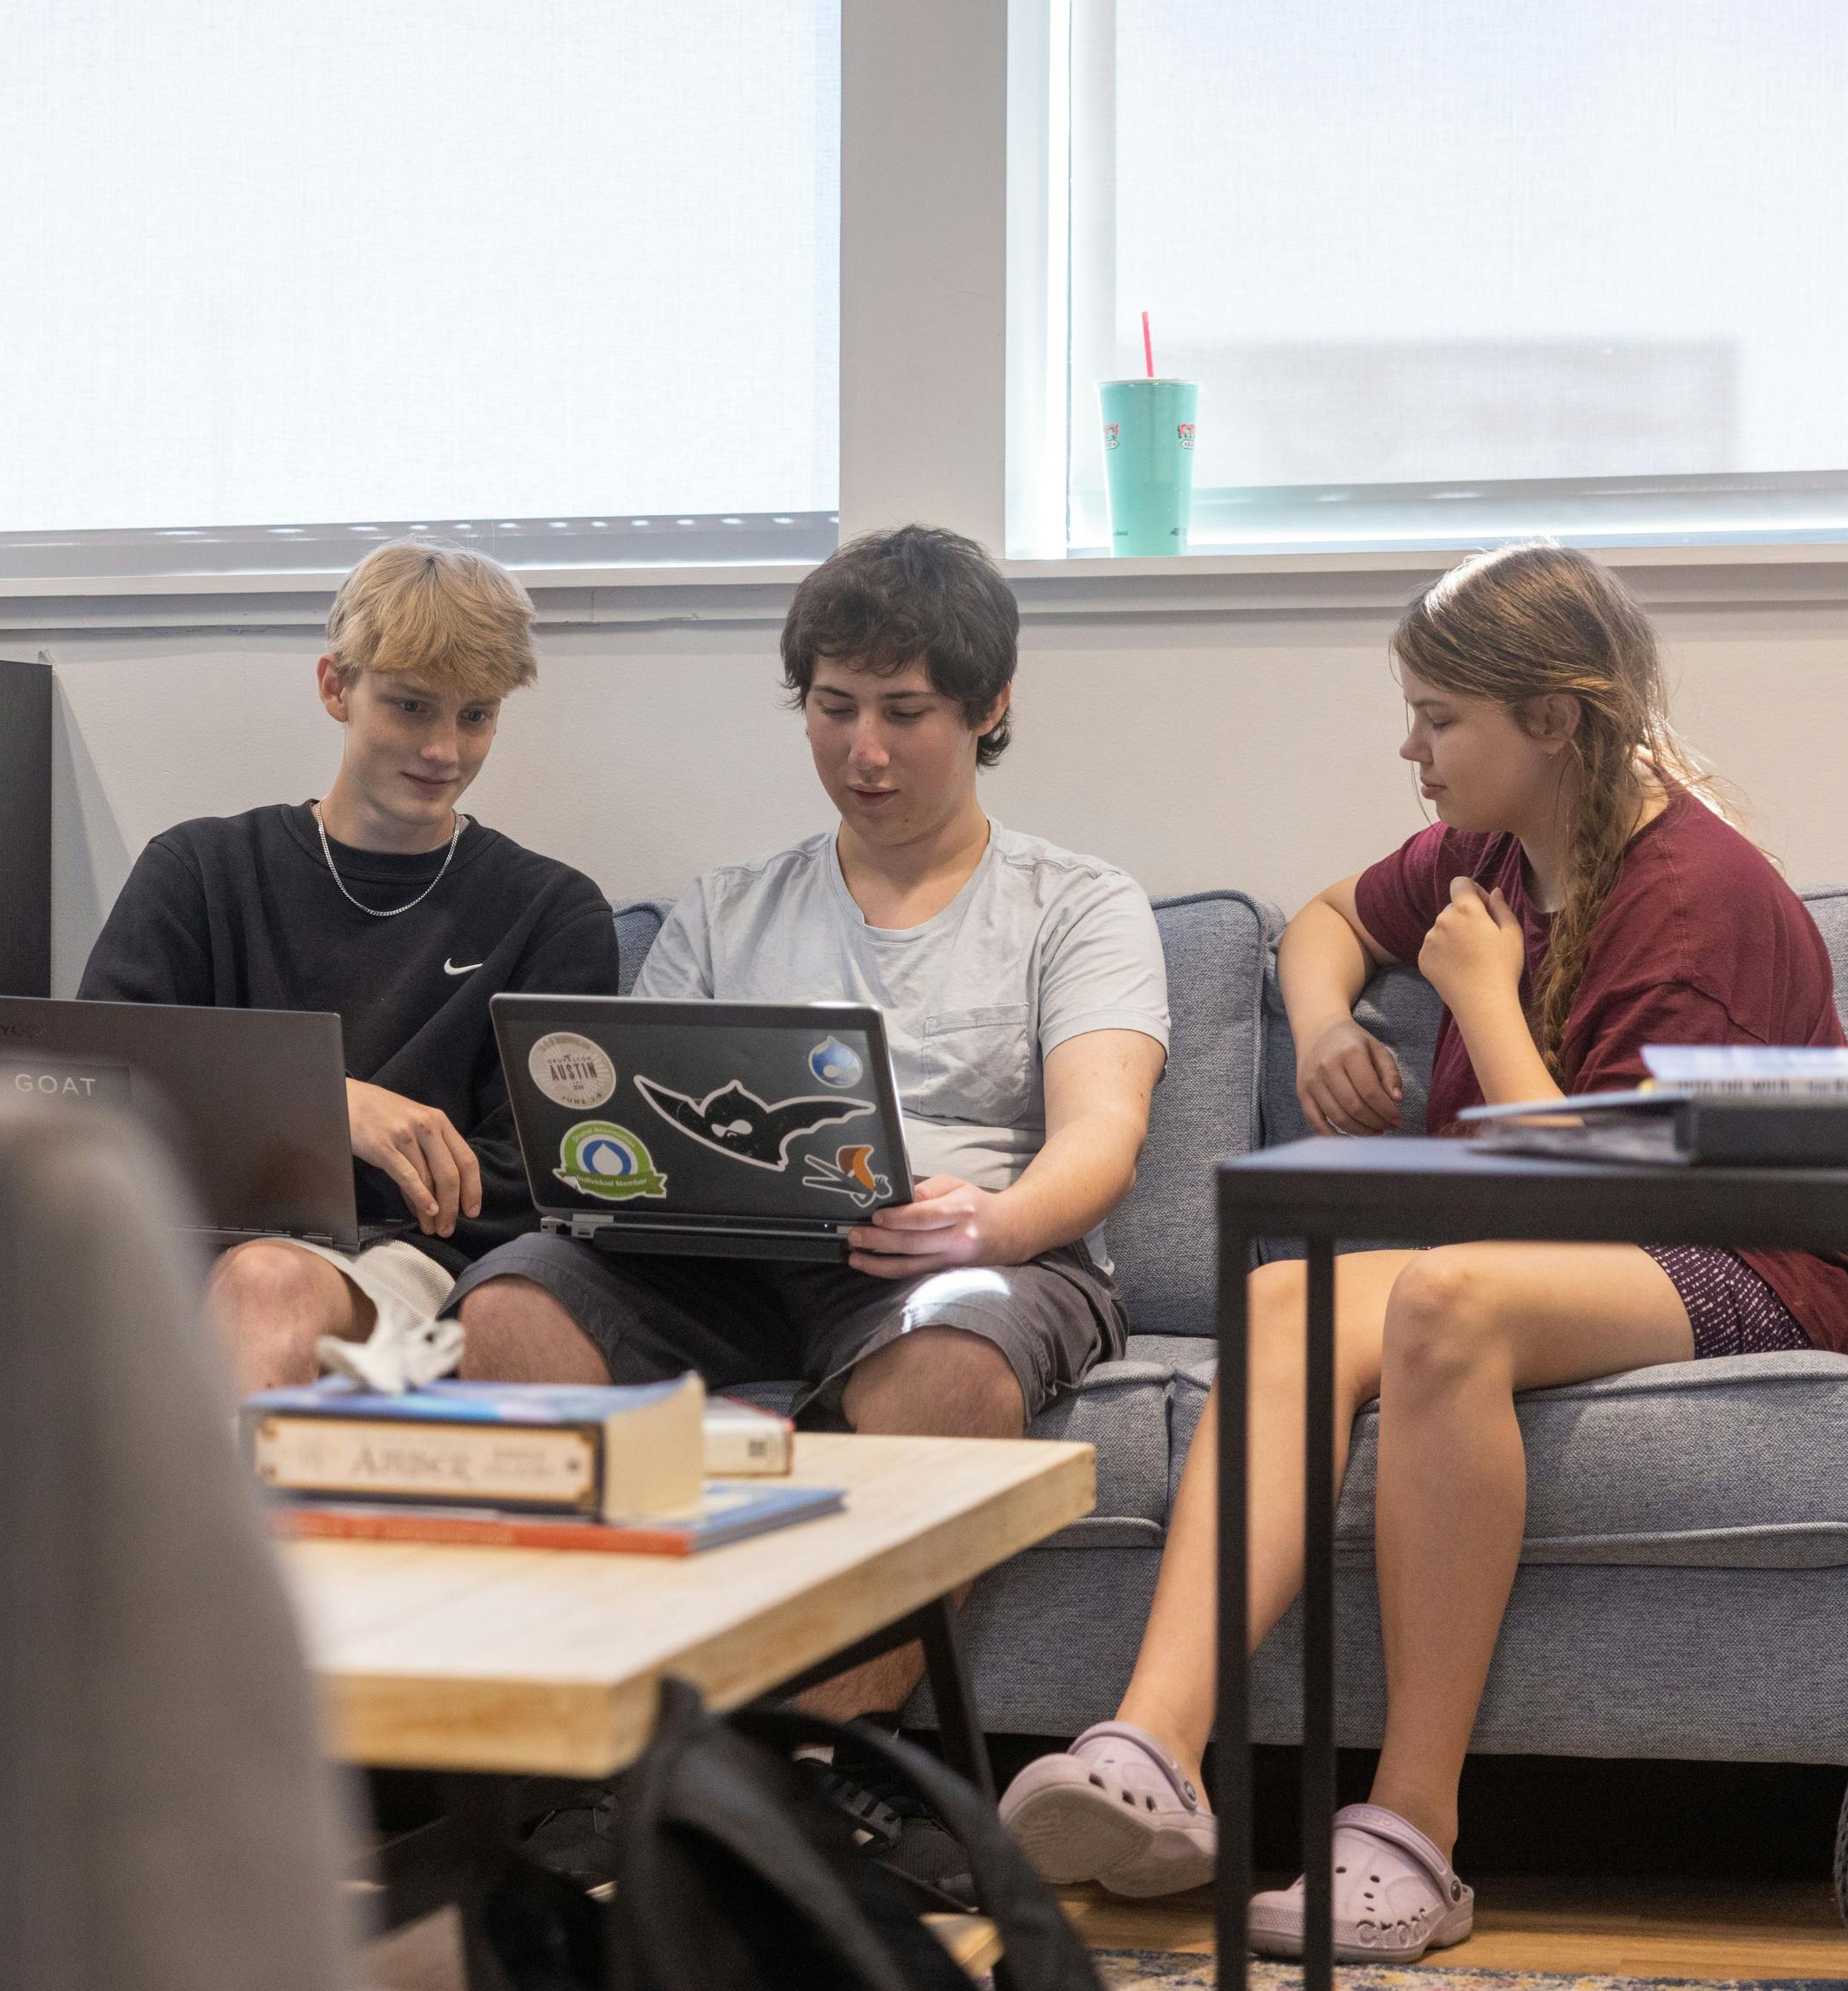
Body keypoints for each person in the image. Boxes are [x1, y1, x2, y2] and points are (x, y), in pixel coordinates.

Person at [999, 540, 1848, 1964]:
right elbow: (1329, 921)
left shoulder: (1695, 894)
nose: (1410, 749)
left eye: (1436, 718)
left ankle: (1412, 1832)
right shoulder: (1492, 847)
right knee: (1283, 1300)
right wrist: (1335, 1021)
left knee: (1448, 1295)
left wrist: (1478, 987)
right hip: (1590, 1239)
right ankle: (1152, 1756)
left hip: (1756, 1259)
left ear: (1553, 721)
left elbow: (1610, 1194)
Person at [452, 521, 1170, 1532]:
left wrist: (993, 1223)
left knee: (950, 1364)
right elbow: (633, 1111)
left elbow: (1105, 1132)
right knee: (510, 1305)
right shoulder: (725, 910)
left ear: (990, 704)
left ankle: (803, 1700)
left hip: (974, 1262)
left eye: (905, 712)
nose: (863, 750)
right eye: (834, 708)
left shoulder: (1078, 903)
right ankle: (590, 1673)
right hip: (723, 1262)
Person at [77, 540, 622, 1392]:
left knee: (268, 1281)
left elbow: (544, 1177)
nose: (444, 748)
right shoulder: (196, 869)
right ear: (336, 686)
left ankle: (214, 1530)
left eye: (476, 715)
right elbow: (93, 1093)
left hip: (409, 1266)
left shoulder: (553, 910)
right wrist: (329, 1112)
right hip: (174, 1248)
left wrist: (285, 1162)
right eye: (410, 706)